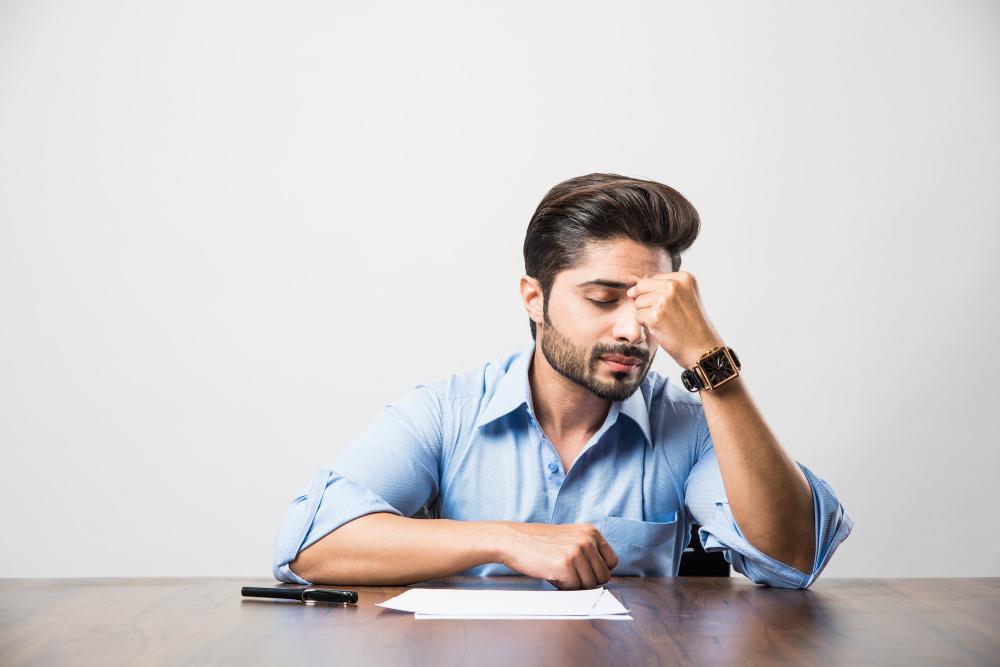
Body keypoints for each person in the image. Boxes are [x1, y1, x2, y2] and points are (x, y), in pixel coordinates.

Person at [271, 173, 853, 590]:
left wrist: (708, 359)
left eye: (652, 306)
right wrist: (505, 539)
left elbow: (791, 560)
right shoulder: (443, 413)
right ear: (535, 298)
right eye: (602, 299)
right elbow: (311, 544)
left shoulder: (694, 428)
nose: (633, 330)